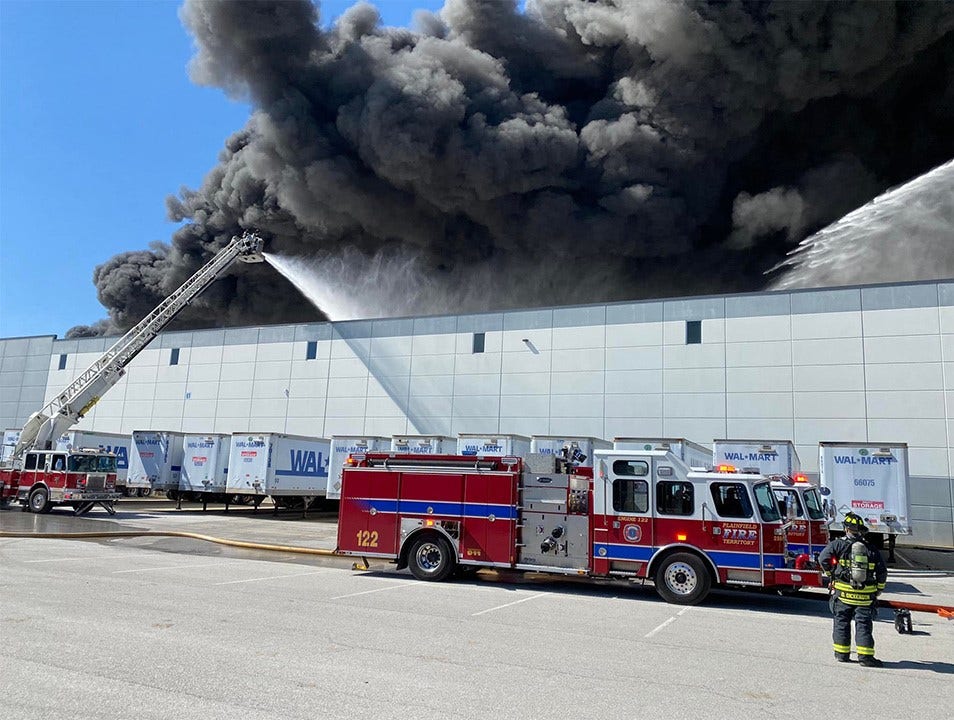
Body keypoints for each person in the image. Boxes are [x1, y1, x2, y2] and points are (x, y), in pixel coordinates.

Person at [818, 512, 888, 667]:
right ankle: (865, 658)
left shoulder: (838, 544)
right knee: (863, 624)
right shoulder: (870, 548)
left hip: (843, 594)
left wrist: (831, 575)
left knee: (841, 622)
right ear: (861, 530)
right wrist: (878, 590)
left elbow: (823, 559)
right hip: (865, 596)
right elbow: (882, 571)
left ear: (846, 529)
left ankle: (841, 654)